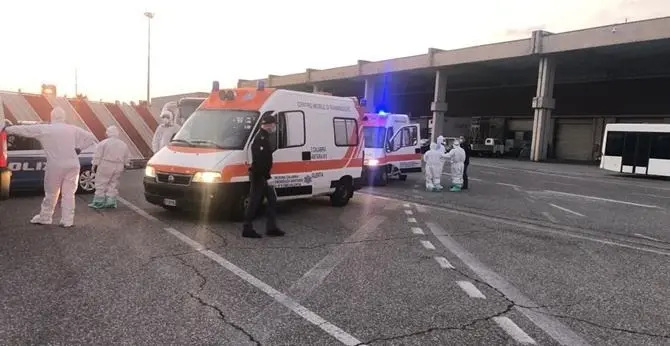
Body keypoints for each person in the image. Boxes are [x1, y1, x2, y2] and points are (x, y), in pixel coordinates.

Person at [2, 107, 97, 227]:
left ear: (52, 116)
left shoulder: (46, 129)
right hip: (73, 164)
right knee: (69, 194)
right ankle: (67, 221)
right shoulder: (72, 129)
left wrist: (7, 129)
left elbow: (25, 130)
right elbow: (91, 137)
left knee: (51, 192)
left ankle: (45, 217)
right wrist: (80, 148)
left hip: (55, 165)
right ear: (64, 117)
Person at [242, 114, 284, 238]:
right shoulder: (260, 138)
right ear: (269, 125)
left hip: (263, 175)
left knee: (272, 199)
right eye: (274, 124)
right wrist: (267, 177)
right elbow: (260, 161)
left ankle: (271, 228)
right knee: (254, 202)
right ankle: (247, 228)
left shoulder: (264, 137)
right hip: (258, 175)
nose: (275, 126)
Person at [89, 126, 130, 209]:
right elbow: (127, 157)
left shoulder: (103, 143)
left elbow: (98, 155)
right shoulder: (123, 144)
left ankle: (98, 203)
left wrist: (94, 165)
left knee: (101, 183)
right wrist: (126, 165)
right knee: (113, 184)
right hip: (119, 166)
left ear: (108, 133)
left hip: (106, 165)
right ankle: (110, 202)